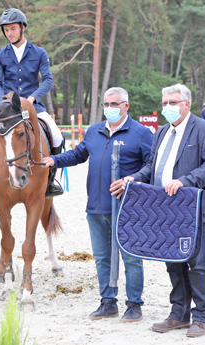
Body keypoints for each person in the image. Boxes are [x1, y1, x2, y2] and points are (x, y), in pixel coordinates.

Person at [110, 83, 205, 337]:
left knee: (198, 262)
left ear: (186, 105)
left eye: (173, 102)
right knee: (173, 261)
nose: (167, 107)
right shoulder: (161, 132)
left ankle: (202, 317)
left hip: (194, 209)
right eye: (164, 103)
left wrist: (185, 180)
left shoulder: (204, 130)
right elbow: (152, 165)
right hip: (166, 212)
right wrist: (133, 178)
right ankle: (179, 314)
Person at [41, 87, 154, 322]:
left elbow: (152, 165)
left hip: (128, 208)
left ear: (126, 106)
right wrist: (54, 159)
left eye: (115, 104)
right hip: (95, 206)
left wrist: (132, 179)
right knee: (102, 257)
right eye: (106, 105)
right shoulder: (93, 131)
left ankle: (134, 305)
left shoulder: (141, 133)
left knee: (131, 257)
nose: (110, 109)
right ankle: (108, 301)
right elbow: (77, 155)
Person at [0, 8, 64, 197]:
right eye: (6, 30)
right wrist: (3, 100)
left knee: (57, 136)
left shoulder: (39, 53)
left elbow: (48, 80)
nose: (9, 33)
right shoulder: (0, 55)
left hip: (33, 106)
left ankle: (50, 181)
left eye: (13, 29)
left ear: (22, 28)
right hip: (6, 107)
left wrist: (32, 98)